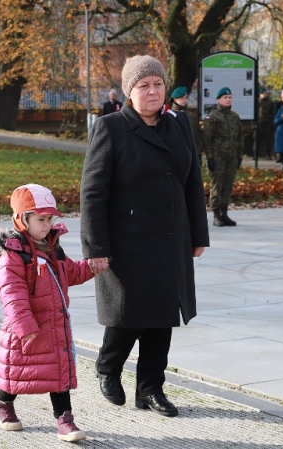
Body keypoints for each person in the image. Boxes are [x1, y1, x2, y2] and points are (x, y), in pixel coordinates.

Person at [80, 55, 210, 418]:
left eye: (157, 84)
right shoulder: (111, 127)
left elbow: (193, 183)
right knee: (128, 315)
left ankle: (151, 389)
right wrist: (96, 247)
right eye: (143, 86)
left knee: (162, 317)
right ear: (129, 92)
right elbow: (92, 192)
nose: (152, 91)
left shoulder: (179, 124)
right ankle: (108, 368)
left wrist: (198, 233)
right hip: (127, 241)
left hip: (171, 237)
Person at [0, 183, 95, 442]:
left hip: (55, 324)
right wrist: (24, 325)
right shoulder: (12, 255)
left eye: (50, 219)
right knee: (17, 373)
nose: (46, 224)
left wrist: (92, 267)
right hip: (25, 327)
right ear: (22, 220)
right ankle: (3, 404)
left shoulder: (52, 247)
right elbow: (12, 293)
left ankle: (65, 420)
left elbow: (70, 272)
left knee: (58, 373)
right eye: (40, 219)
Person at [203, 87, 245, 226]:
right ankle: (216, 215)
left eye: (230, 97)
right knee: (217, 185)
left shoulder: (235, 117)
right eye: (225, 97)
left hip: (231, 156)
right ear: (219, 100)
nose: (228, 100)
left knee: (228, 186)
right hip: (218, 156)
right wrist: (210, 157)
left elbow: (240, 137)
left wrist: (239, 156)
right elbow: (207, 139)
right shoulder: (213, 117)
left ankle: (225, 213)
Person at [169, 86, 202, 155]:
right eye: (181, 98)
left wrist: (198, 152)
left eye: (186, 98)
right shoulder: (169, 116)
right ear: (175, 99)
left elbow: (196, 135)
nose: (185, 100)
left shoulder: (190, 115)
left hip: (190, 152)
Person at [257, 88, 277, 160]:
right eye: (263, 93)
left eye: (265, 93)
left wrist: (272, 122)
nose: (264, 94)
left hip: (268, 122)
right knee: (257, 139)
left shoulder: (270, 102)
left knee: (268, 139)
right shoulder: (257, 102)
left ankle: (267, 153)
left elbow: (273, 113)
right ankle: (255, 154)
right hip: (259, 122)